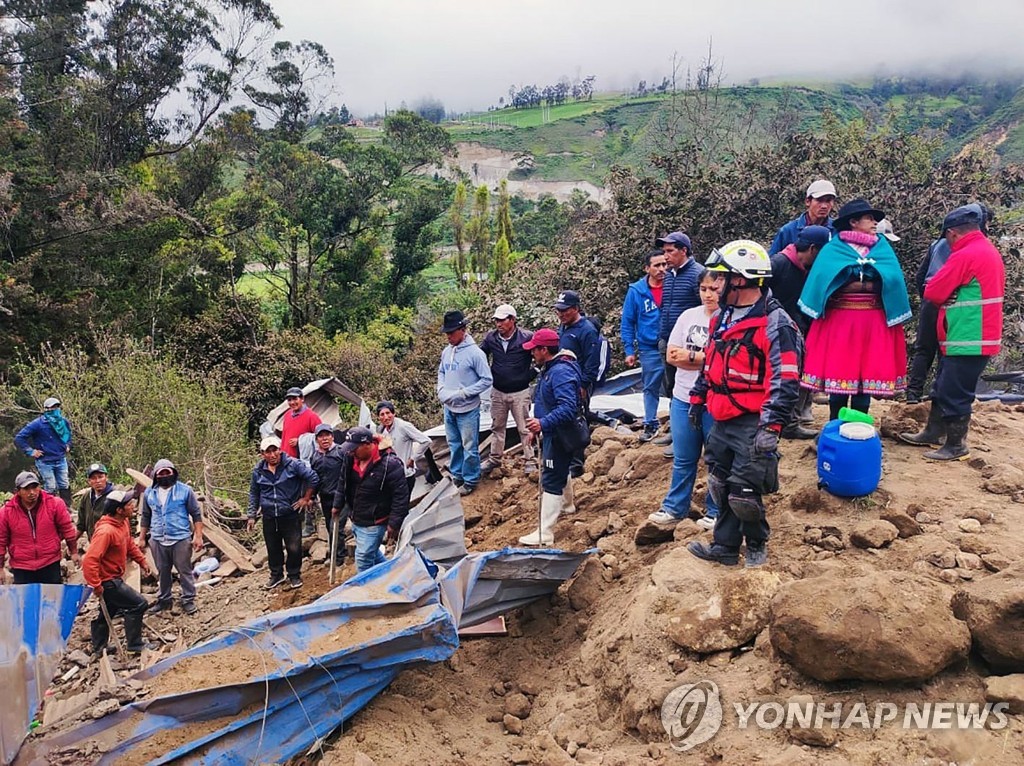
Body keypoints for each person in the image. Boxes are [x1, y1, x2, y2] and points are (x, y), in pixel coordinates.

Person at [686, 241, 801, 567]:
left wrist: (772, 426)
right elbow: (711, 362)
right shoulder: (721, 318)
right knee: (721, 485)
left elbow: (786, 380)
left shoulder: (775, 324)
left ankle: (756, 544)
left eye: (722, 278)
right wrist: (698, 398)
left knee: (744, 493)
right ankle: (724, 547)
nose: (715, 287)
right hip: (721, 416)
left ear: (741, 280)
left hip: (754, 419)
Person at [900, 205, 1005, 461]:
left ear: (953, 233)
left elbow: (933, 291)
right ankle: (933, 431)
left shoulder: (965, 255)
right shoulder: (988, 251)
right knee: (943, 384)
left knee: (954, 391)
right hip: (973, 334)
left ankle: (956, 444)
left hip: (968, 334)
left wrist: (947, 291)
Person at [798, 198, 912, 420]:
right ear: (853, 222)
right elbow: (823, 280)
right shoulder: (834, 249)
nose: (873, 223)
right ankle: (835, 425)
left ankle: (860, 428)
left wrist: (859, 282)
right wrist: (859, 281)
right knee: (838, 376)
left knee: (865, 380)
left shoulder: (882, 248)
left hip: (873, 322)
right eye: (869, 218)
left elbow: (893, 279)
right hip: (840, 322)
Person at [648, 268, 723, 531]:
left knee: (716, 458)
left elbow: (721, 361)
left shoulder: (728, 319)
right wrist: (703, 357)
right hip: (683, 397)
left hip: (714, 398)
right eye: (704, 289)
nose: (708, 295)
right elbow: (671, 355)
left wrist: (691, 357)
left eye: (714, 289)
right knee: (683, 457)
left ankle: (716, 511)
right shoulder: (687, 316)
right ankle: (674, 507)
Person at [906, 203, 989, 403]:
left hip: (930, 299)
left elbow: (920, 276)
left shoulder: (937, 244)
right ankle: (938, 393)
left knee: (924, 349)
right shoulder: (971, 247)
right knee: (947, 351)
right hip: (951, 303)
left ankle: (913, 394)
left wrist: (927, 295)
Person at [517, 329, 583, 546]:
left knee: (551, 478)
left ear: (544, 350)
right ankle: (567, 505)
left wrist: (542, 423)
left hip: (559, 433)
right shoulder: (551, 369)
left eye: (534, 349)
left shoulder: (560, 373)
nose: (532, 354)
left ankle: (545, 532)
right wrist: (538, 428)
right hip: (553, 431)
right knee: (559, 469)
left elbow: (568, 408)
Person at [768, 224, 832, 439]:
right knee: (782, 377)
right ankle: (779, 422)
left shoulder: (811, 269)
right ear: (813, 249)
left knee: (797, 375)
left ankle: (791, 422)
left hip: (800, 329)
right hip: (777, 331)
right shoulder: (778, 264)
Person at [82, 490, 153, 655]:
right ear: (119, 510)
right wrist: (96, 585)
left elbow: (129, 544)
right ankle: (134, 644)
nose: (133, 506)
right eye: (129, 504)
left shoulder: (123, 523)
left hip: (114, 576)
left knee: (109, 610)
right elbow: (89, 560)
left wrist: (141, 560)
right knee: (138, 604)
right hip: (108, 581)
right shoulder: (106, 532)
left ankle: (99, 647)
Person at [246, 435, 320, 590]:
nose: (273, 455)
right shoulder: (258, 471)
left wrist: (306, 498)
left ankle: (294, 575)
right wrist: (252, 515)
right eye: (268, 452)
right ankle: (276, 575)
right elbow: (254, 492)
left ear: (280, 450)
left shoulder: (293, 464)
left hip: (290, 512)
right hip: (269, 514)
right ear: (262, 454)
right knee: (272, 547)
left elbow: (313, 478)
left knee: (293, 546)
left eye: (275, 450)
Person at [333, 427, 410, 573]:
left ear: (367, 445)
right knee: (372, 553)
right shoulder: (351, 458)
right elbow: (343, 481)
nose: (351, 452)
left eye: (354, 448)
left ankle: (366, 591)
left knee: (363, 558)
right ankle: (390, 574)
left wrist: (394, 523)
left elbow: (401, 496)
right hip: (356, 516)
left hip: (376, 520)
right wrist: (337, 504)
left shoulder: (390, 464)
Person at [437, 310, 493, 497]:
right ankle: (458, 475)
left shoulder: (475, 353)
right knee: (454, 444)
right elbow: (442, 372)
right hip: (449, 407)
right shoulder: (447, 352)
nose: (449, 337)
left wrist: (464, 393)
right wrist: (441, 389)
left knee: (469, 446)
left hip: (467, 409)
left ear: (463, 330)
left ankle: (470, 480)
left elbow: (486, 379)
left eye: (452, 333)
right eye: (447, 333)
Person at [656, 232, 702, 453]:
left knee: (689, 388)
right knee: (672, 388)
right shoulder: (669, 275)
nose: (665, 256)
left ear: (684, 250)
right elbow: (666, 306)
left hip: (689, 343)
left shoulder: (698, 274)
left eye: (670, 251)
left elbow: (705, 308)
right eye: (664, 251)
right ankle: (675, 431)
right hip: (668, 340)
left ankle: (686, 438)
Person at [139, 460, 203, 615]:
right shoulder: (149, 493)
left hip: (180, 538)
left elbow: (196, 514)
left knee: (184, 570)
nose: (165, 475)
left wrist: (198, 536)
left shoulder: (185, 491)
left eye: (168, 472)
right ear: (155, 475)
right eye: (161, 473)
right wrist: (141, 538)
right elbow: (145, 516)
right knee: (163, 571)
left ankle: (188, 600)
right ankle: (164, 600)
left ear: (174, 472)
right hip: (158, 538)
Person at [479, 304, 537, 475]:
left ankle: (530, 460)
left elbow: (540, 355)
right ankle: (494, 460)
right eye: (496, 320)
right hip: (498, 391)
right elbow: (480, 356)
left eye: (502, 320)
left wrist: (532, 373)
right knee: (497, 427)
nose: (498, 324)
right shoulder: (491, 338)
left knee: (524, 427)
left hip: (520, 391)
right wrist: (486, 375)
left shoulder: (526, 337)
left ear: (512, 320)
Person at [554, 291, 604, 476]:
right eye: (558, 310)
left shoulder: (587, 330)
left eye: (564, 310)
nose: (560, 314)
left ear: (575, 309)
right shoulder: (564, 326)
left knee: (577, 419)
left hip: (578, 382)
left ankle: (576, 463)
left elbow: (592, 362)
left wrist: (583, 385)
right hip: (564, 380)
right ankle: (564, 457)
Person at [621, 249, 668, 442]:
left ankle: (678, 425)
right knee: (650, 386)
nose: (662, 269)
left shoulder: (675, 284)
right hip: (649, 347)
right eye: (657, 265)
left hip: (673, 344)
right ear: (647, 268)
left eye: (664, 264)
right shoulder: (637, 291)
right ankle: (650, 423)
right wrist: (629, 350)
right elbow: (627, 322)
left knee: (677, 385)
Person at [0, 471, 80, 584]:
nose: (32, 492)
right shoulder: (6, 512)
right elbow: (1, 540)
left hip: (50, 562)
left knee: (52, 599)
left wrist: (74, 552)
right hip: (22, 566)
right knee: (27, 601)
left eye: (35, 487)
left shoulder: (54, 504)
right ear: (17, 491)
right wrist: (1, 568)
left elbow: (67, 529)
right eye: (26, 489)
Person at [14, 397, 73, 507]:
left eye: (56, 407)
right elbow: (19, 438)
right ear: (46, 409)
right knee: (50, 487)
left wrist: (68, 445)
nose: (55, 409)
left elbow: (69, 435)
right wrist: (31, 451)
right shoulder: (38, 424)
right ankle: (51, 509)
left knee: (64, 483)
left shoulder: (63, 422)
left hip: (60, 458)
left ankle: (67, 508)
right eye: (52, 407)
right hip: (45, 461)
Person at [310, 423, 347, 567]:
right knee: (329, 527)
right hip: (325, 498)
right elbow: (314, 479)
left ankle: (338, 559)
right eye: (321, 436)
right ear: (317, 439)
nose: (325, 439)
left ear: (332, 437)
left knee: (336, 527)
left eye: (327, 435)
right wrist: (312, 497)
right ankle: (335, 555)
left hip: (342, 496)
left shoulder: (340, 452)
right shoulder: (315, 457)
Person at [375, 401, 431, 495]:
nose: (386, 417)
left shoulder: (403, 426)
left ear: (393, 413)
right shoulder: (381, 430)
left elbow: (426, 441)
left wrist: (413, 458)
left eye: (388, 413)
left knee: (401, 506)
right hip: (391, 476)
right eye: (382, 414)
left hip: (405, 475)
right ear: (378, 417)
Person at [768, 179, 837, 255]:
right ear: (808, 201)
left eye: (828, 201)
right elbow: (773, 262)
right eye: (819, 200)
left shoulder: (837, 230)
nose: (824, 206)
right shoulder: (788, 231)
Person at [280, 387, 322, 459]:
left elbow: (321, 437)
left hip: (302, 461)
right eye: (289, 400)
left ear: (302, 399)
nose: (292, 402)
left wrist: (300, 441)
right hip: (286, 459)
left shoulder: (312, 416)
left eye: (295, 399)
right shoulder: (287, 415)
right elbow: (284, 437)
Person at [76, 462, 114, 541]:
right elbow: (81, 525)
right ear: (89, 481)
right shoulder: (86, 497)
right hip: (93, 541)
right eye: (93, 478)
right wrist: (72, 543)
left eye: (100, 477)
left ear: (106, 478)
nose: (97, 481)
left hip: (110, 542)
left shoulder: (114, 497)